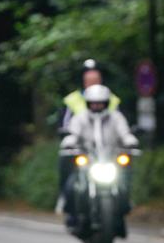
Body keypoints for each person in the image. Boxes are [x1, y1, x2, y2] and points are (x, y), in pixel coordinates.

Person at [60, 84, 139, 230]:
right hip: (88, 162)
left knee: (124, 183)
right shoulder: (80, 118)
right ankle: (72, 215)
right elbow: (73, 134)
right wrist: (69, 141)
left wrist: (130, 141)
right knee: (71, 186)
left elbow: (125, 133)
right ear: (88, 103)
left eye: (100, 103)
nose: (97, 106)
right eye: (93, 103)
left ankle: (123, 211)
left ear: (106, 103)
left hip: (110, 160)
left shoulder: (116, 117)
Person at [56, 59, 121, 214]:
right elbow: (64, 124)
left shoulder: (112, 100)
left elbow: (121, 123)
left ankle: (125, 196)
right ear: (83, 81)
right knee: (65, 162)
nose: (92, 83)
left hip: (108, 149)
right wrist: (69, 138)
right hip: (81, 149)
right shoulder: (72, 100)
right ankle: (65, 197)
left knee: (125, 166)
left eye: (95, 79)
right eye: (89, 80)